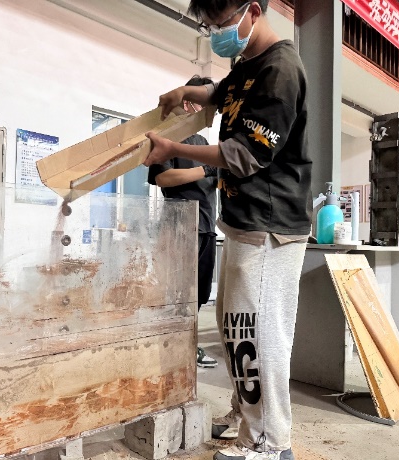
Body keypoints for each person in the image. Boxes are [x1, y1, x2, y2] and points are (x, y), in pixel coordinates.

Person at [143, 1, 312, 459]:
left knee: (258, 333)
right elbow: (224, 93)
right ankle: (248, 419)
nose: (215, 33)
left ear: (252, 11)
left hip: (270, 225)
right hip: (243, 220)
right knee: (236, 329)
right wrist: (189, 92)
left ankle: (270, 443)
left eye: (219, 24)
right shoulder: (247, 64)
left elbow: (244, 154)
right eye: (208, 25)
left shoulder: (281, 70)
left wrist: (173, 148)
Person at [148, 75, 219, 369]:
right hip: (179, 228)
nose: (210, 114)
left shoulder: (202, 142)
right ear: (190, 103)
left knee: (199, 293)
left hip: (206, 226)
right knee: (176, 293)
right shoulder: (168, 136)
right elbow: (163, 178)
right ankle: (169, 347)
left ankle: (188, 344)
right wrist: (206, 171)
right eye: (206, 105)